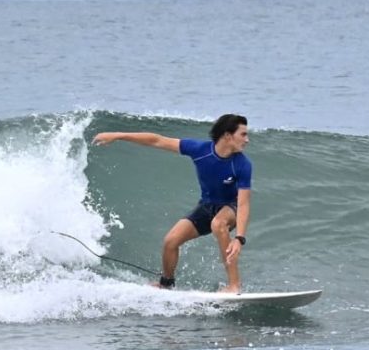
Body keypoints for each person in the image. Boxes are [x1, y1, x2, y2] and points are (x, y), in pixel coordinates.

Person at [92, 114, 252, 292]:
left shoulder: (242, 164)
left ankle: (234, 285)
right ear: (227, 135)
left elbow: (244, 203)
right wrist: (118, 135)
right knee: (170, 241)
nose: (247, 140)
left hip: (231, 207)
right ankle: (166, 283)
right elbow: (157, 140)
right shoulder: (200, 150)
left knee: (218, 224)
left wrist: (239, 238)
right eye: (243, 134)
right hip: (207, 206)